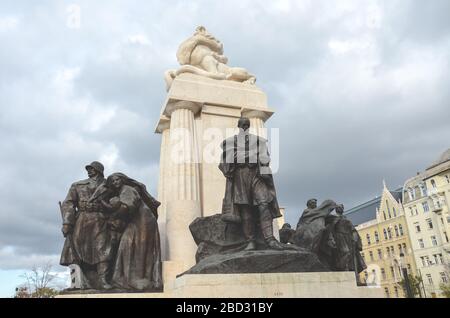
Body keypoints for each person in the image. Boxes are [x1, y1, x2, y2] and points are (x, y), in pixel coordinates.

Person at [219, 117, 285, 251]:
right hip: (240, 176)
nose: (244, 127)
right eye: (242, 124)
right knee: (245, 209)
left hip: (257, 175)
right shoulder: (231, 142)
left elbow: (265, 158)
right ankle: (250, 241)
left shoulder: (259, 141)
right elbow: (227, 160)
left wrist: (248, 156)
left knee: (264, 203)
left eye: (247, 125)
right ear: (238, 126)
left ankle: (270, 239)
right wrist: (251, 155)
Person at [100, 173, 162, 291]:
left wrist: (108, 208)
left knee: (139, 247)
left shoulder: (127, 189)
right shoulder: (122, 191)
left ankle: (138, 278)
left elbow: (126, 208)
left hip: (144, 221)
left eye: (117, 179)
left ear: (122, 180)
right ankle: (124, 278)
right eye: (112, 182)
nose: (115, 183)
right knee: (126, 245)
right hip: (136, 221)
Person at [59, 161, 114, 289]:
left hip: (101, 219)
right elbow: (68, 204)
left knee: (103, 250)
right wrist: (67, 222)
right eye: (88, 169)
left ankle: (103, 280)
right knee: (76, 251)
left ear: (99, 170)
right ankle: (77, 282)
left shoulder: (109, 185)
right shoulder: (78, 185)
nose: (89, 171)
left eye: (92, 169)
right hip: (82, 220)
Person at [325, 204, 366, 284]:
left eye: (341, 208)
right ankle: (343, 270)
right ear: (336, 209)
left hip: (349, 239)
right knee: (345, 252)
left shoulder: (346, 219)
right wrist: (331, 239)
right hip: (339, 238)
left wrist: (355, 238)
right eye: (338, 207)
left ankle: (356, 278)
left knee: (353, 258)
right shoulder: (334, 219)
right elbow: (330, 230)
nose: (340, 209)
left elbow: (353, 230)